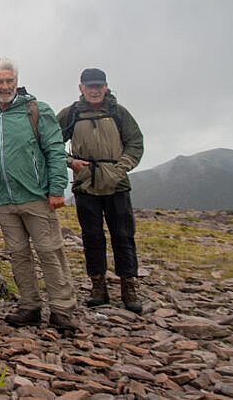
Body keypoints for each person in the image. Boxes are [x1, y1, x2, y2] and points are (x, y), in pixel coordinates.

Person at [0, 58, 78, 333]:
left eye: (9, 81)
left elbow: (55, 150)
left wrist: (57, 189)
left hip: (37, 197)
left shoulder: (36, 110)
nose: (5, 86)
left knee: (50, 252)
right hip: (4, 201)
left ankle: (62, 309)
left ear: (16, 82)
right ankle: (29, 306)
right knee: (18, 255)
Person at [58, 68, 145, 313]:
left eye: (99, 86)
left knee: (124, 236)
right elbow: (51, 141)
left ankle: (129, 287)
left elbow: (135, 143)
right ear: (81, 88)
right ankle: (98, 287)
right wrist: (71, 162)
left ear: (106, 87)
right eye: (90, 86)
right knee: (92, 237)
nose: (95, 90)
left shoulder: (119, 113)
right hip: (86, 185)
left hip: (117, 185)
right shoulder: (71, 114)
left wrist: (121, 168)